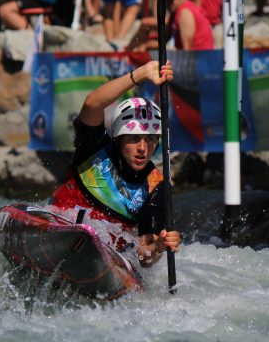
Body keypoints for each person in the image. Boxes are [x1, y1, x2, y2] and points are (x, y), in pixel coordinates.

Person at [49, 60, 181, 267]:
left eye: (150, 139)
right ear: (118, 139)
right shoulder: (93, 149)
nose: (142, 148)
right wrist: (142, 73)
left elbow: (144, 255)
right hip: (58, 227)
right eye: (133, 138)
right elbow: (93, 103)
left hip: (104, 257)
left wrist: (159, 247)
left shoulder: (156, 186)